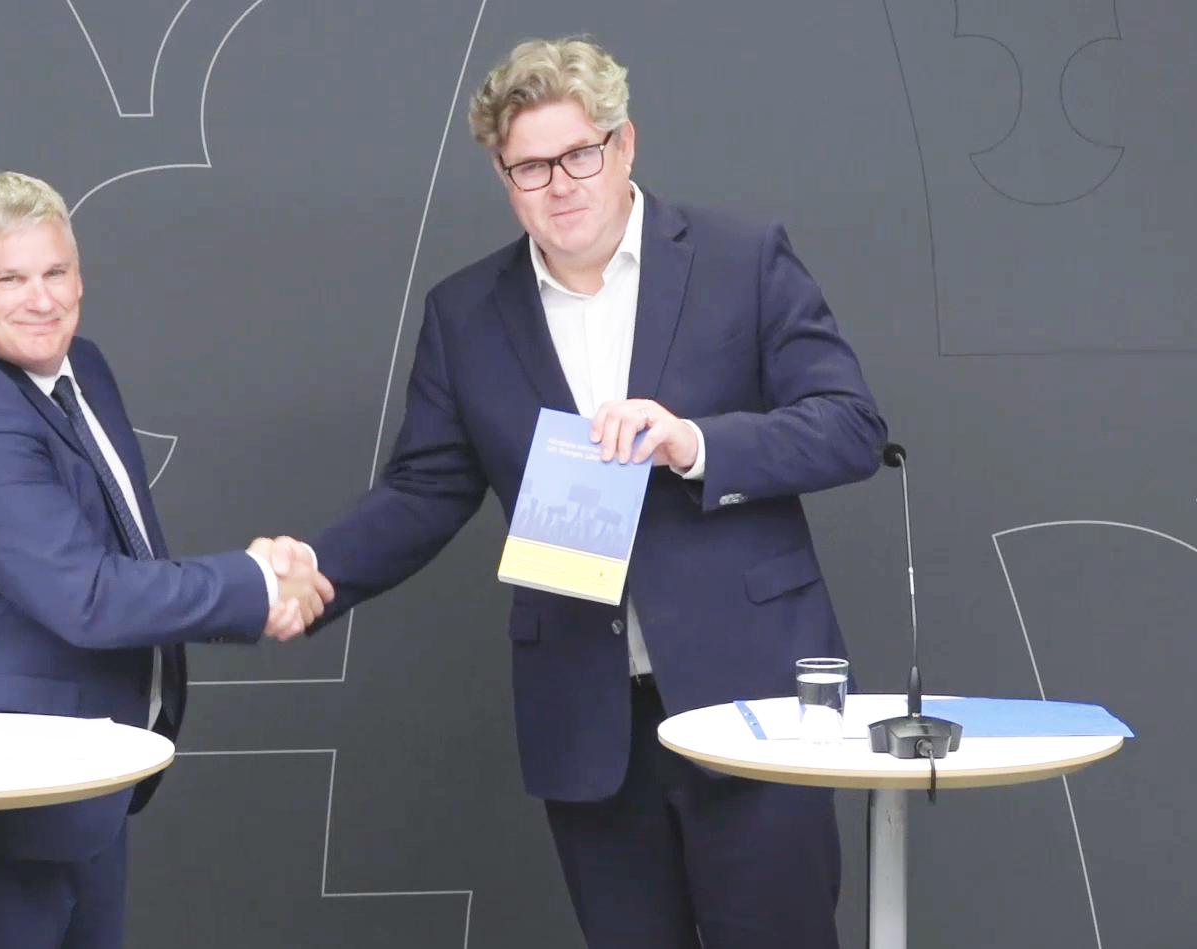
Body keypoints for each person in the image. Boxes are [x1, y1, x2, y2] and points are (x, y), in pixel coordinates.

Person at [279, 37, 887, 949]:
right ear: (503, 175)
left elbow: (850, 425)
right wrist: (310, 574)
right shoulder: (464, 313)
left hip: (752, 699)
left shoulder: (741, 257)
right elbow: (423, 490)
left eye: (579, 155)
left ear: (624, 144)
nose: (559, 185)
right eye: (530, 167)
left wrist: (694, 443)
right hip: (589, 719)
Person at [0, 171, 330, 949]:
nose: (40, 299)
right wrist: (257, 583)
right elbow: (85, 595)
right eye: (10, 278)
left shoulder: (84, 370)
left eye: (56, 271)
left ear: (81, 276)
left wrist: (258, 585)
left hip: (84, 786)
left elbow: (127, 550)